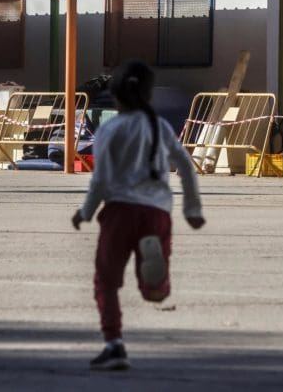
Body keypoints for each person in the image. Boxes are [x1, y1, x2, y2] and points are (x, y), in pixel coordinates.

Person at [71, 60, 205, 371]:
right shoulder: (161, 127)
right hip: (157, 213)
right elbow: (185, 166)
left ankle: (114, 344)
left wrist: (86, 212)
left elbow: (100, 179)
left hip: (119, 212)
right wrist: (192, 210)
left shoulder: (109, 129)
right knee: (155, 292)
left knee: (106, 280)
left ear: (114, 97)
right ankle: (155, 285)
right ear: (148, 95)